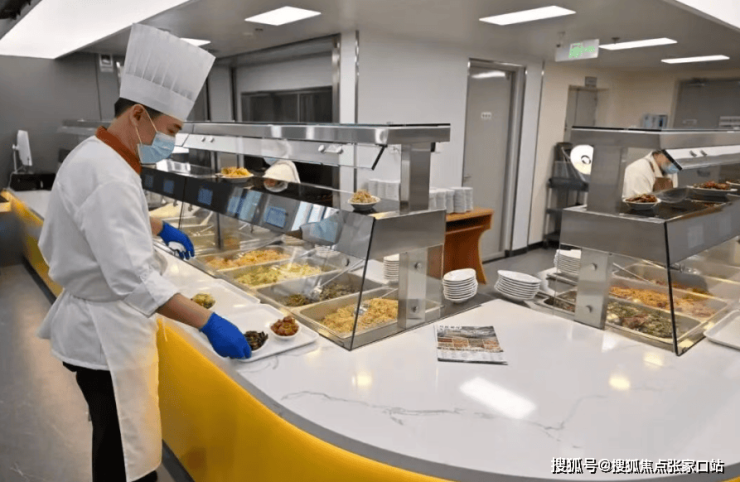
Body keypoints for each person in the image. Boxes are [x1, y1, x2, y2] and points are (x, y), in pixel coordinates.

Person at [36, 25, 251, 482]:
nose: (171, 139)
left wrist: (157, 225)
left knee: (119, 445)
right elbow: (133, 279)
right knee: (124, 459)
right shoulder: (108, 174)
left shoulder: (99, 155)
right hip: (106, 337)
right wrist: (208, 322)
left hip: (98, 325)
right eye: (171, 129)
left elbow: (101, 225)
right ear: (138, 114)